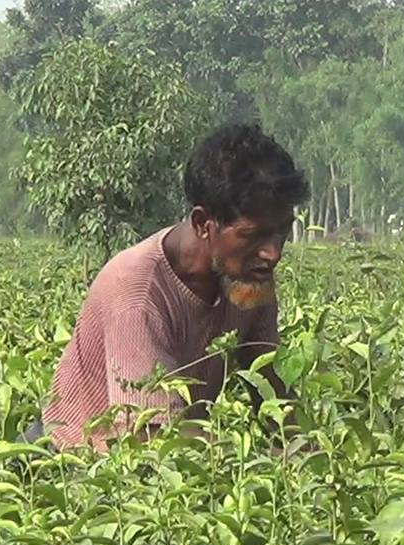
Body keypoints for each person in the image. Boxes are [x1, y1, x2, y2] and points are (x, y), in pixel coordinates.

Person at [23, 122, 310, 452]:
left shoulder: (248, 278)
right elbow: (153, 438)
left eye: (281, 233)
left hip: (174, 456)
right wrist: (252, 460)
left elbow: (271, 386)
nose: (273, 254)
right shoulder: (138, 293)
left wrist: (309, 457)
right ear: (204, 224)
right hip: (70, 461)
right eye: (252, 236)